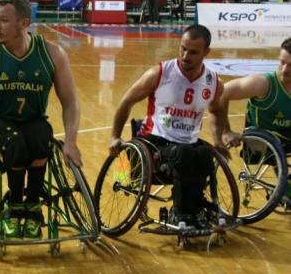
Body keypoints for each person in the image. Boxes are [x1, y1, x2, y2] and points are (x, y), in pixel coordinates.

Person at [0, 0, 81, 239]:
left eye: (4, 20)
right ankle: (14, 205)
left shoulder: (52, 54)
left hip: (32, 119)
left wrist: (70, 141)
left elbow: (70, 101)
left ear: (24, 23)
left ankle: (33, 206)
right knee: (15, 143)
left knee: (40, 140)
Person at [109, 25, 224, 226]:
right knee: (184, 153)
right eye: (183, 49)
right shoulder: (160, 73)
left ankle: (195, 209)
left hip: (188, 143)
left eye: (193, 52)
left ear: (207, 52)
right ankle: (181, 213)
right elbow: (126, 101)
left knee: (206, 153)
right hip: (154, 142)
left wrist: (218, 140)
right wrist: (114, 136)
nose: (186, 55)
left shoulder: (213, 81)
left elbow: (215, 111)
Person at [212, 38, 291, 198]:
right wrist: (226, 131)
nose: (284, 69)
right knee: (278, 143)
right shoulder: (263, 84)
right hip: (260, 140)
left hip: (286, 136)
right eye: (282, 62)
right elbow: (222, 92)